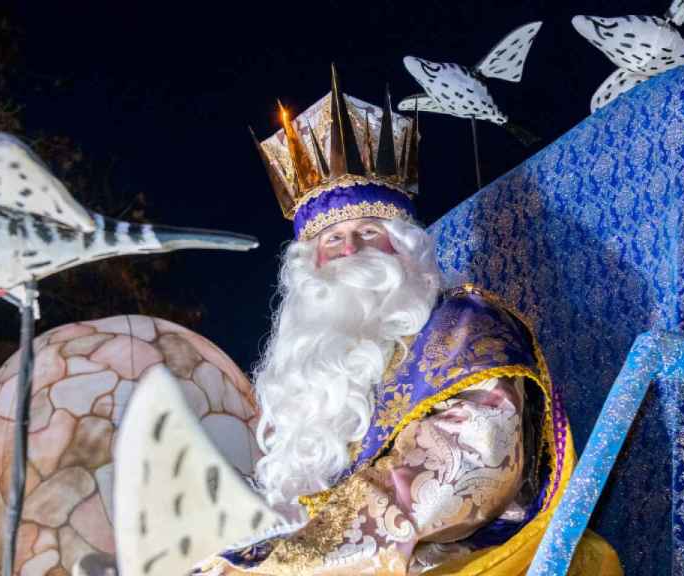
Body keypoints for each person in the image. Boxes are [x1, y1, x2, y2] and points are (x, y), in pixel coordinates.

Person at [195, 68, 620, 575]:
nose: (351, 249)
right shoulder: (316, 379)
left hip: (477, 557)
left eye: (369, 231)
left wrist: (290, 560)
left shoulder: (465, 326)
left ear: (405, 246)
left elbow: (465, 473)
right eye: (332, 240)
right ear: (309, 270)